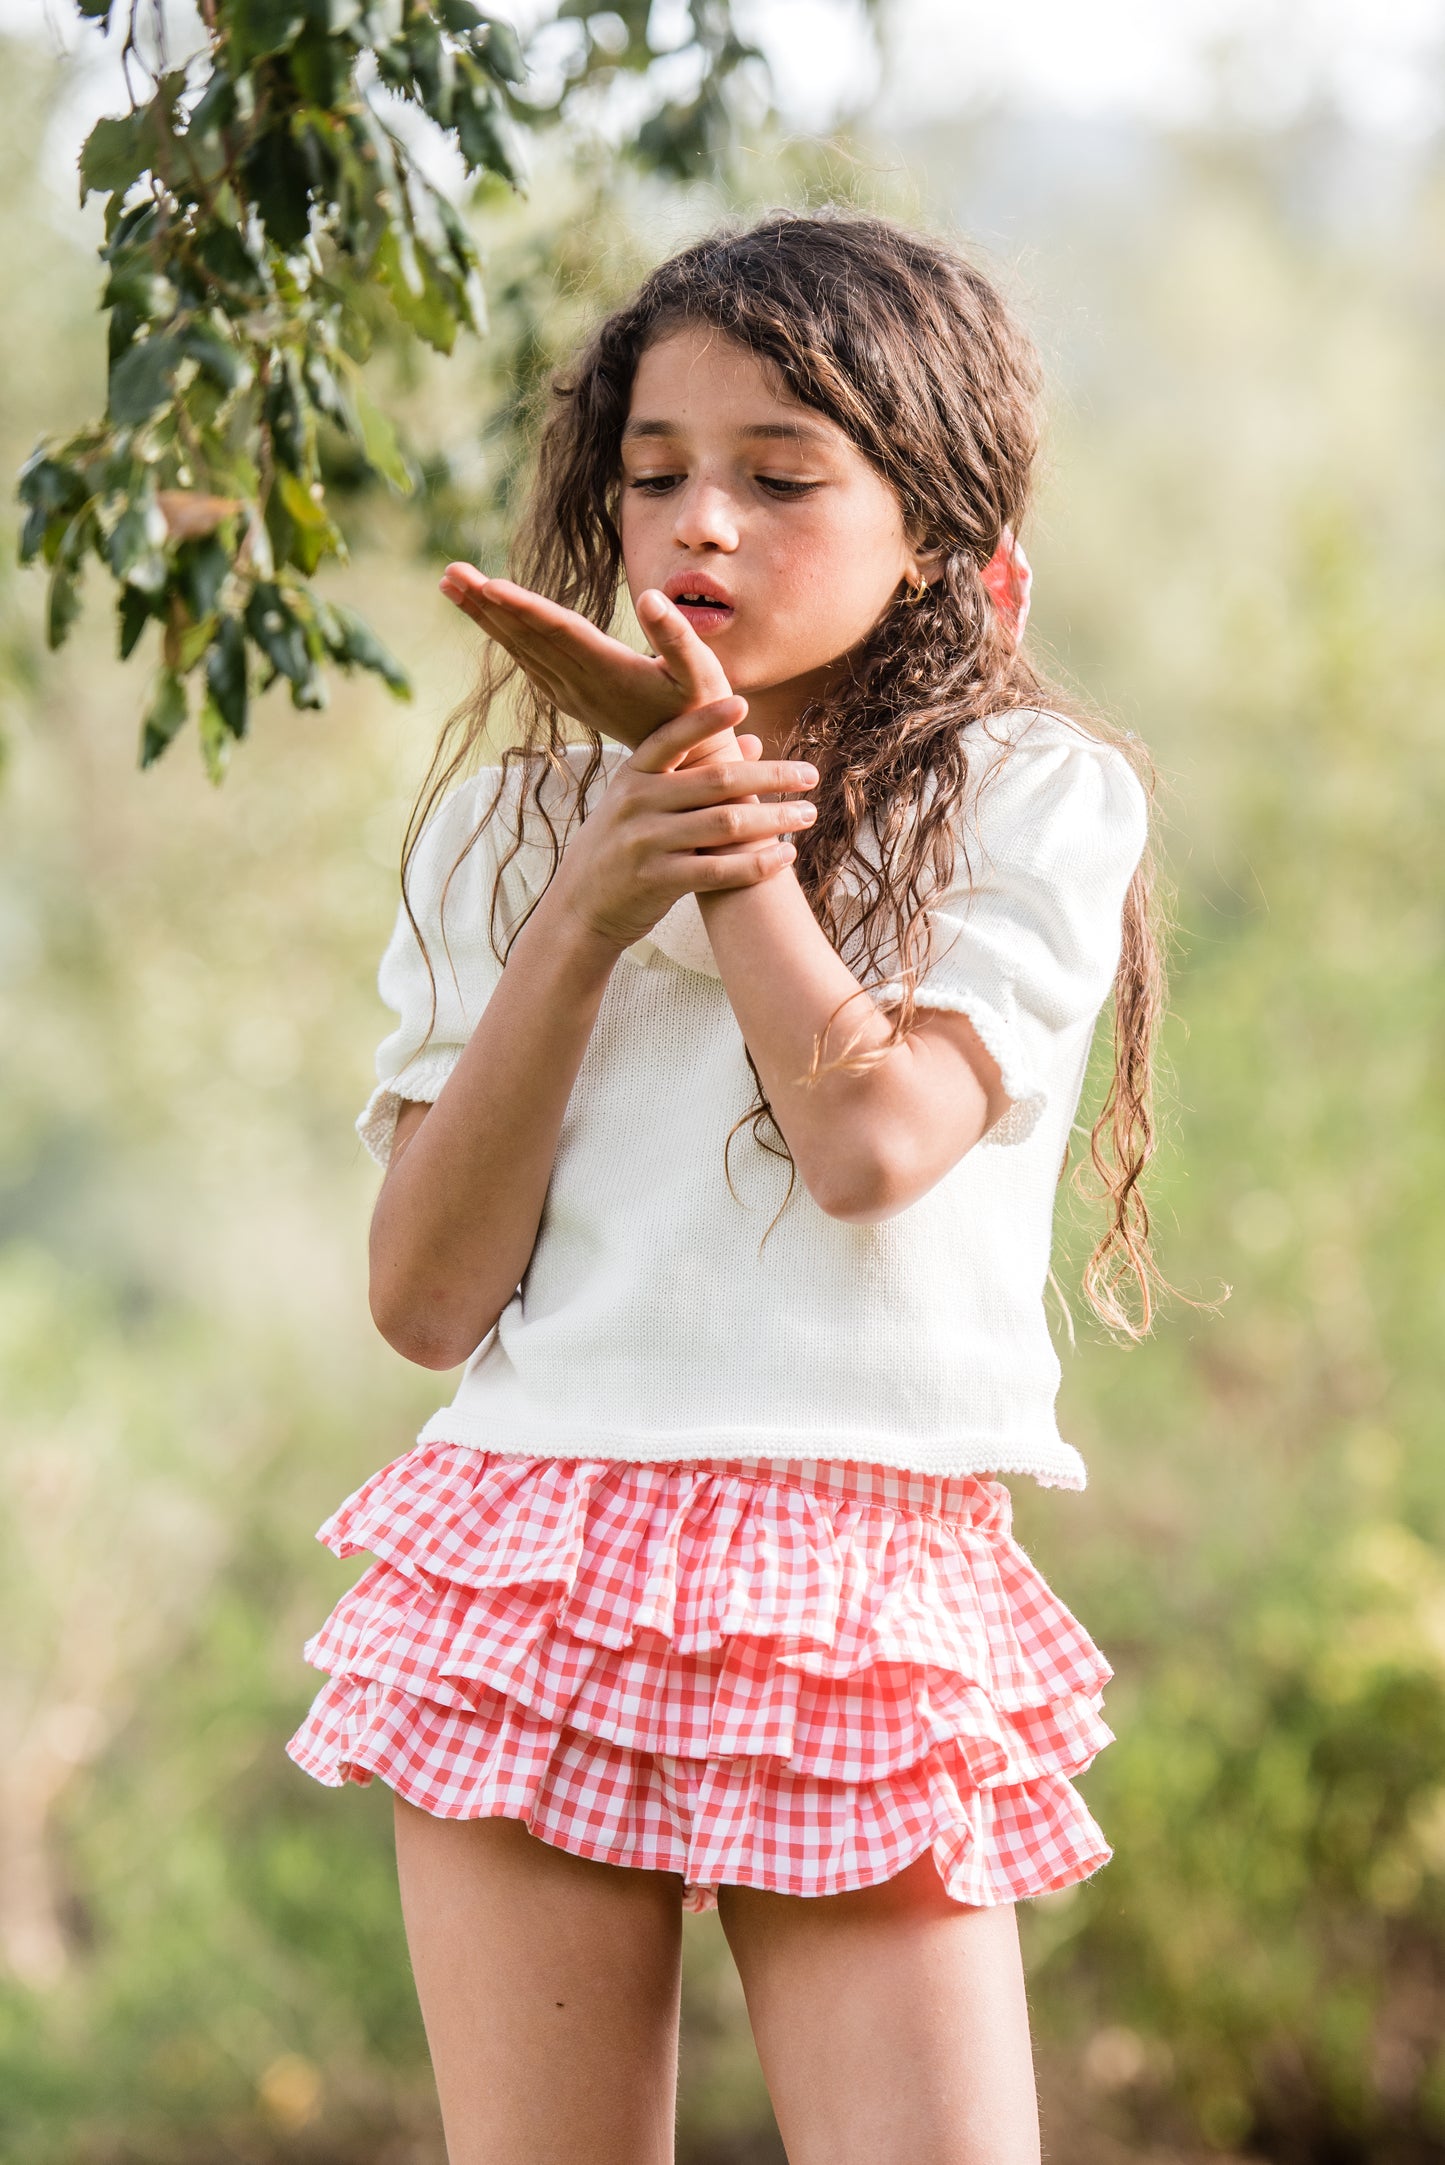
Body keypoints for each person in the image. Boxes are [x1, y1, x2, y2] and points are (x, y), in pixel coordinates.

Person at [287, 209, 1168, 2165]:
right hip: (533, 1557)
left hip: (854, 1575)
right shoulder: (513, 833)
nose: (702, 527)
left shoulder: (1025, 795)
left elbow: (869, 1144)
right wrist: (589, 907)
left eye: (783, 479)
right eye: (656, 474)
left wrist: (724, 844)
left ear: (937, 529)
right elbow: (427, 1301)